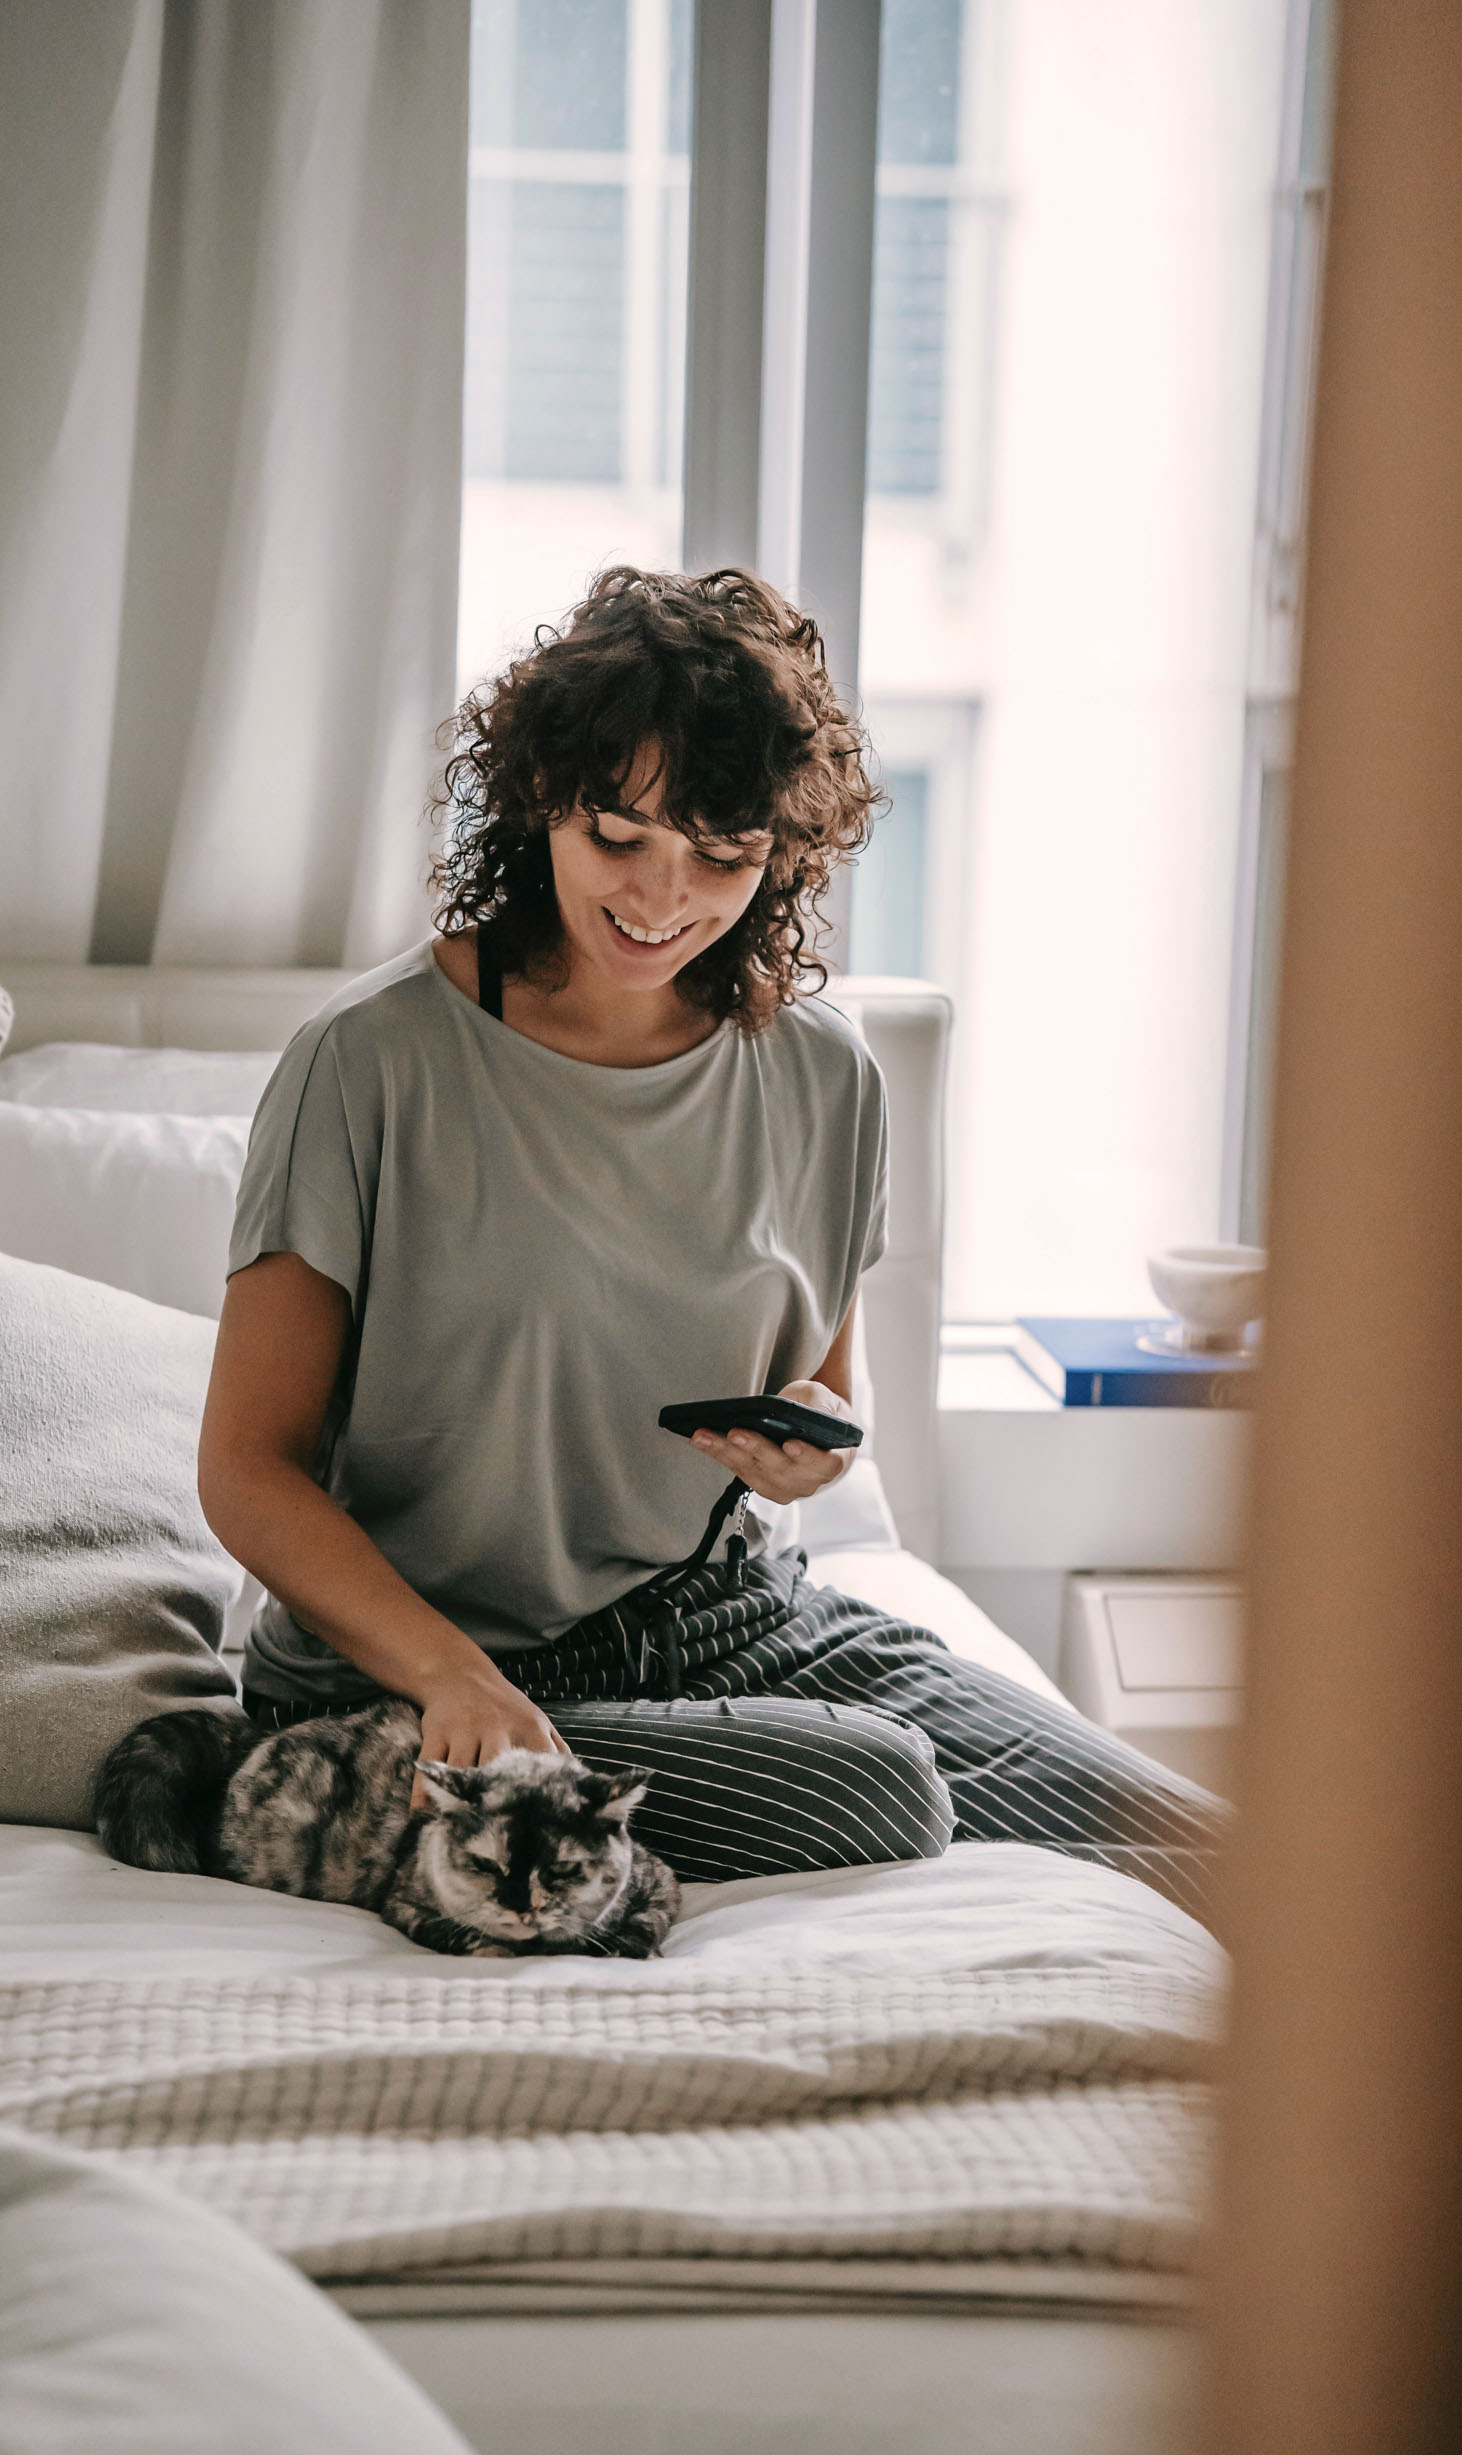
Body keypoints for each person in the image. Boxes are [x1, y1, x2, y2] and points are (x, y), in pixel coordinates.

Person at [200, 565, 1224, 1923]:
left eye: (722, 856)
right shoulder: (370, 1063)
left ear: (783, 855)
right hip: (424, 1667)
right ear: (540, 802)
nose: (661, 896)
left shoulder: (827, 1079)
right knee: (882, 1791)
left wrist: (805, 1446)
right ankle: (383, 1771)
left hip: (741, 1627)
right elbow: (246, 1470)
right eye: (618, 835)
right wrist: (451, 1676)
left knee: (1212, 1849)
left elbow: (824, 1401)